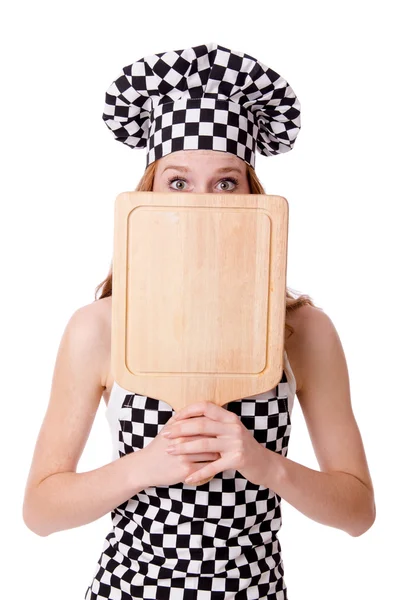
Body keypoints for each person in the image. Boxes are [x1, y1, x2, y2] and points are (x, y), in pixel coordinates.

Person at [22, 43, 376, 600]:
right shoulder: (100, 327)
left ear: (252, 197)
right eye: (179, 181)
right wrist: (144, 467)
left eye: (227, 182)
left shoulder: (304, 333)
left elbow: (358, 513)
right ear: (150, 195)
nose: (203, 203)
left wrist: (262, 464)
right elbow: (40, 512)